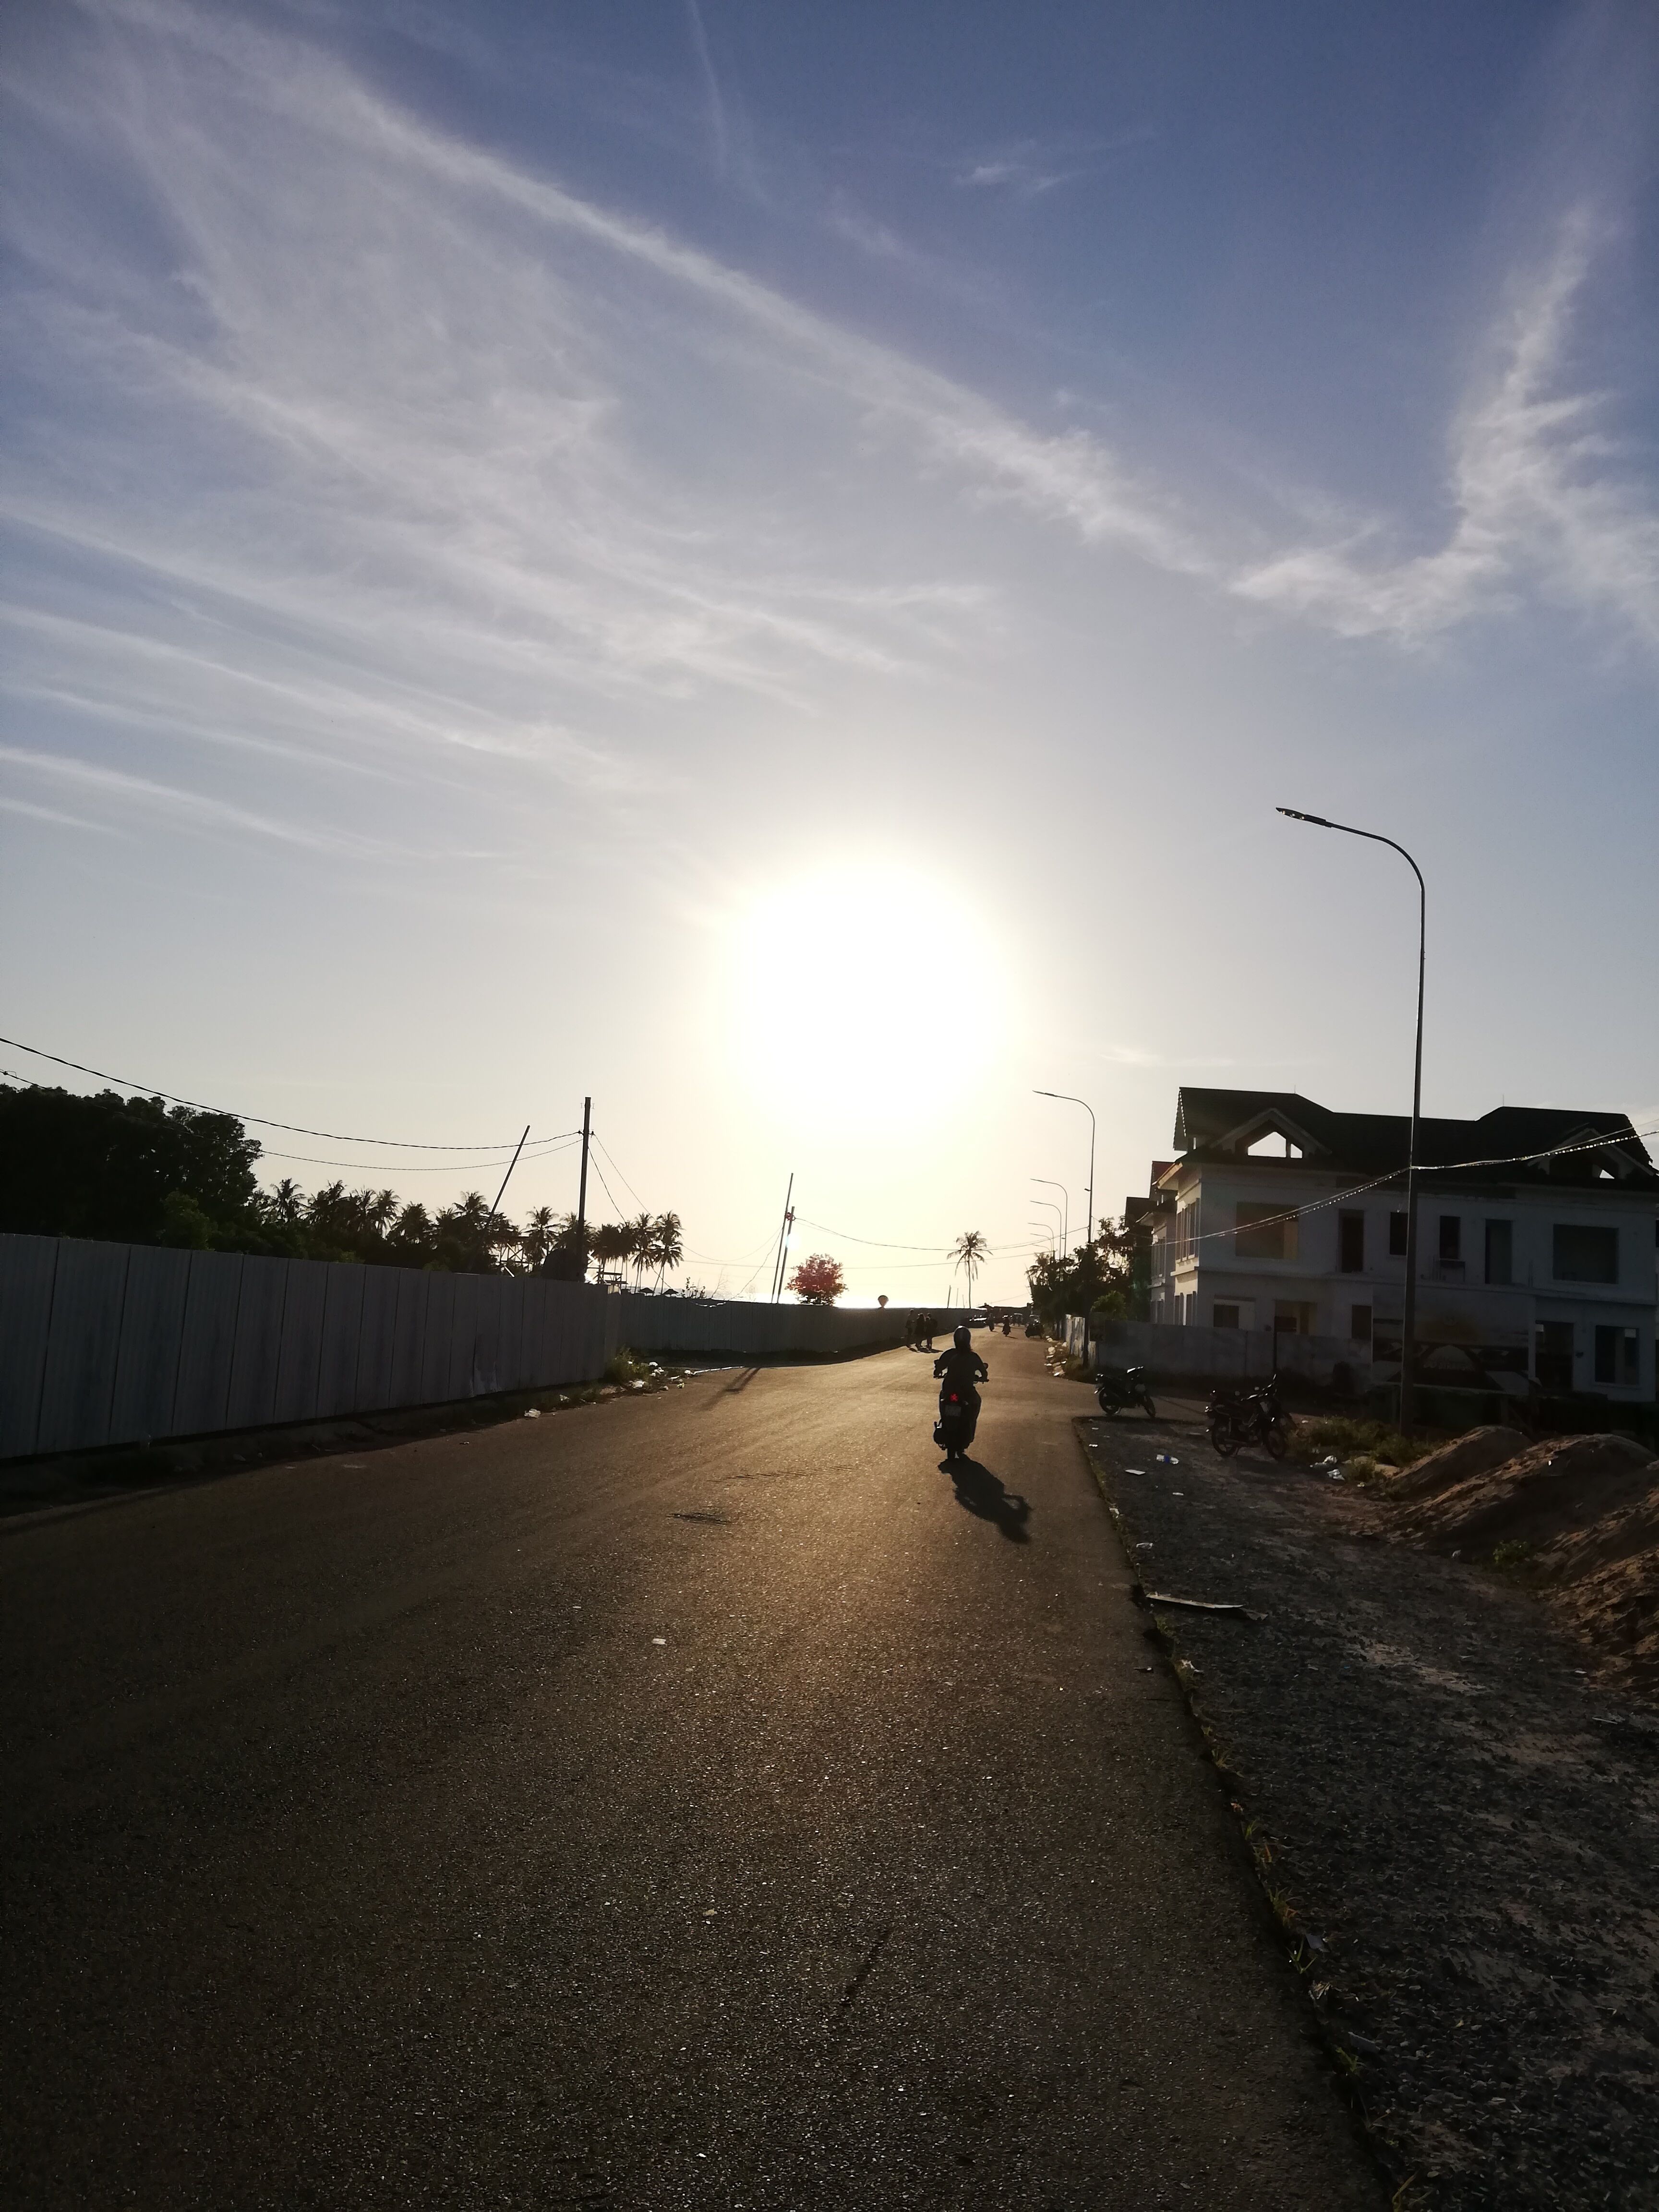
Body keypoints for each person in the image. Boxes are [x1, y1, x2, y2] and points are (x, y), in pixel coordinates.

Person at [933, 1324, 989, 1446]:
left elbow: (938, 1368)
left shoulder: (949, 1354)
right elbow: (983, 1371)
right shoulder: (973, 1356)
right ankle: (970, 1428)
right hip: (966, 1390)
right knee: (976, 1402)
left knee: (943, 1399)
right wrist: (983, 1377)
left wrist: (937, 1372)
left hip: (949, 1389)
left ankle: (945, 1423)